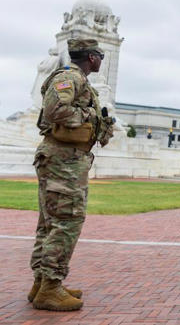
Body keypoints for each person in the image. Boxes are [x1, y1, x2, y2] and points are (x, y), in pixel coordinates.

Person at [28, 38, 115, 311]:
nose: (101, 59)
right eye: (99, 55)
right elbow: (56, 110)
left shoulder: (79, 80)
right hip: (63, 161)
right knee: (66, 221)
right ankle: (50, 288)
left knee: (52, 223)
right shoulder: (69, 78)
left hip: (66, 160)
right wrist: (89, 116)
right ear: (91, 57)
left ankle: (42, 283)